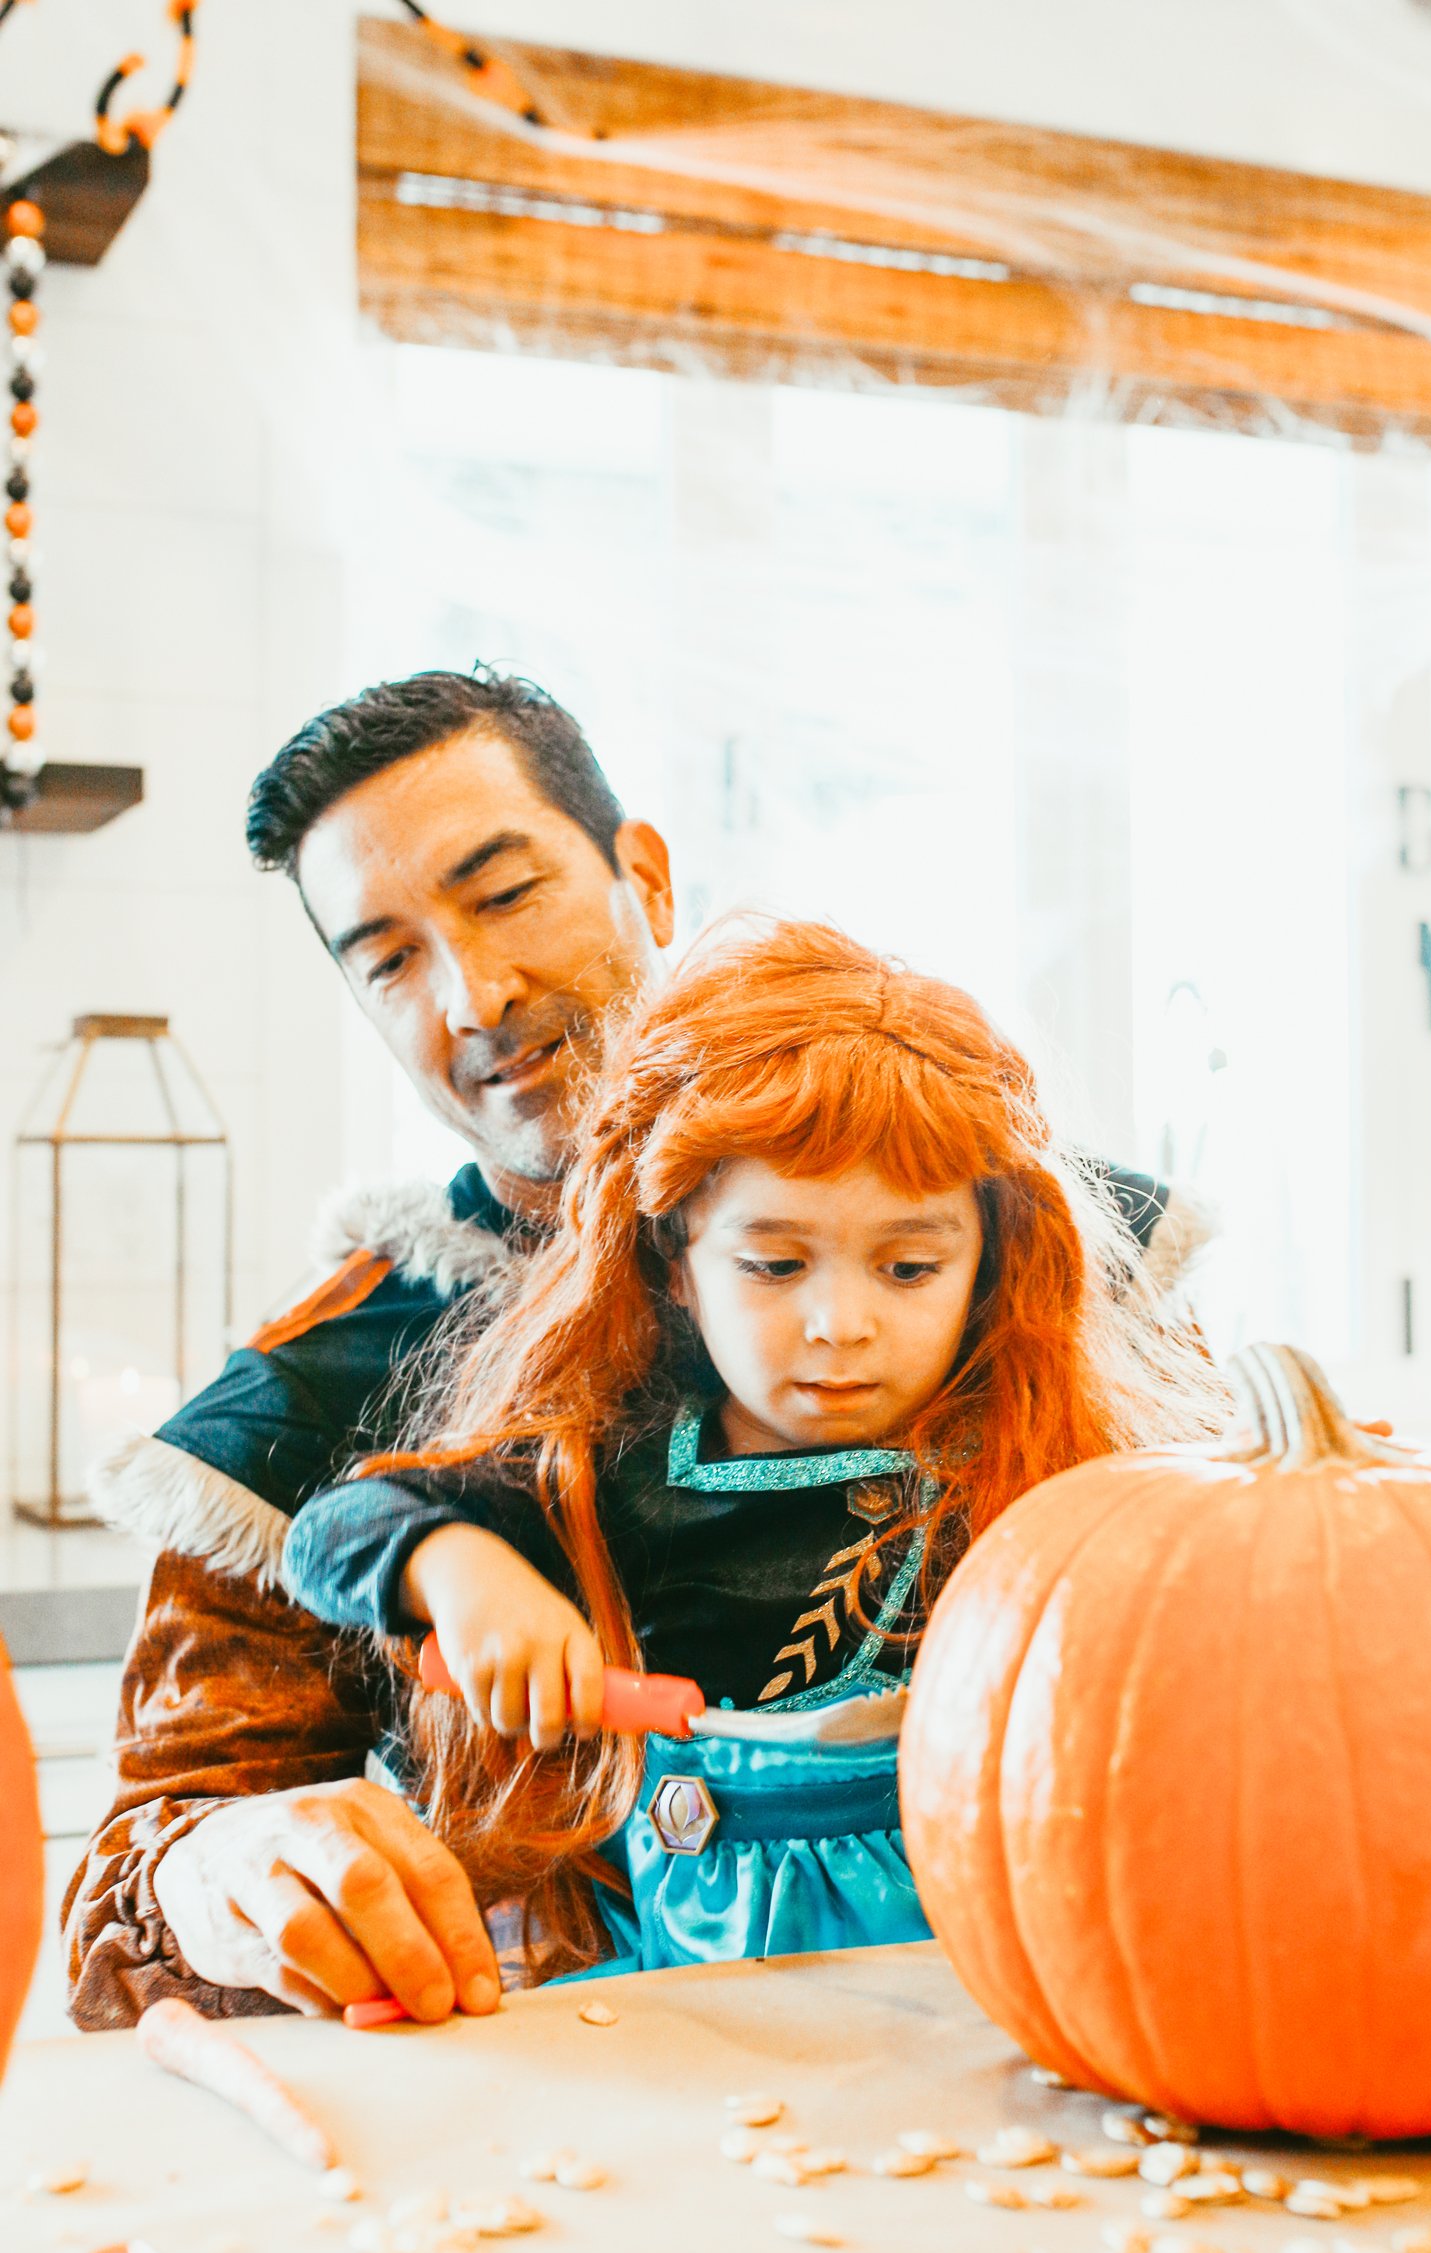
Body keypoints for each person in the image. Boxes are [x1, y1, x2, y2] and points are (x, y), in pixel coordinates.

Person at [64, 667, 1201, 2029]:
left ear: (641, 879)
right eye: (388, 958)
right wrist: (224, 1868)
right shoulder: (301, 1405)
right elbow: (132, 1886)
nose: (476, 993)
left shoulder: (1059, 1257)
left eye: (504, 894)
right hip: (582, 2109)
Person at [281, 920, 1225, 1981]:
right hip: (677, 1998)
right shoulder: (606, 1468)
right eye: (774, 1264)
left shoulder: (1036, 1468)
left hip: (977, 1986)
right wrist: (462, 1572)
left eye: (908, 1268)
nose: (839, 1323)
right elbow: (332, 1535)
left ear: (988, 1265)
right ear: (673, 1262)